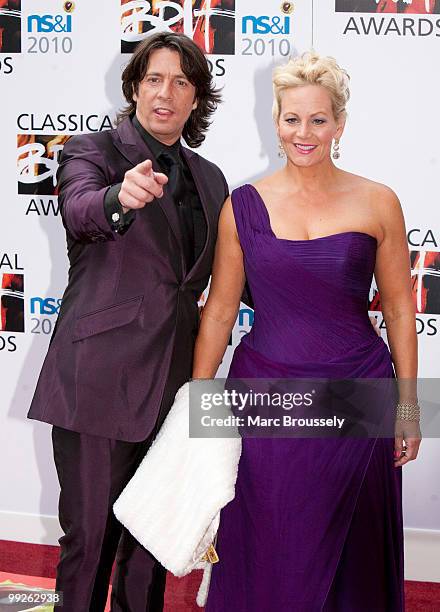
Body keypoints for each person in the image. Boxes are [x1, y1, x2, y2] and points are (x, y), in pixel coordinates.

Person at [192, 52, 422, 611]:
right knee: (271, 537)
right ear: (275, 121)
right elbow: (221, 311)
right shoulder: (242, 207)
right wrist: (196, 406)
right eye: (292, 119)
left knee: (356, 549)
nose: (304, 132)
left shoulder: (378, 200)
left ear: (339, 125)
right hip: (267, 393)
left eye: (318, 119)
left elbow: (396, 306)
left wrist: (410, 407)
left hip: (357, 392)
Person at [28, 32, 228, 612]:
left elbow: (226, 276)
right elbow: (81, 209)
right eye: (155, 79)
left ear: (197, 99)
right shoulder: (92, 152)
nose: (166, 93)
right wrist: (122, 196)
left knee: (150, 544)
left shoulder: (212, 179)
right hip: (98, 380)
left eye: (182, 82)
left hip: (174, 389)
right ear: (135, 87)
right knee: (90, 542)